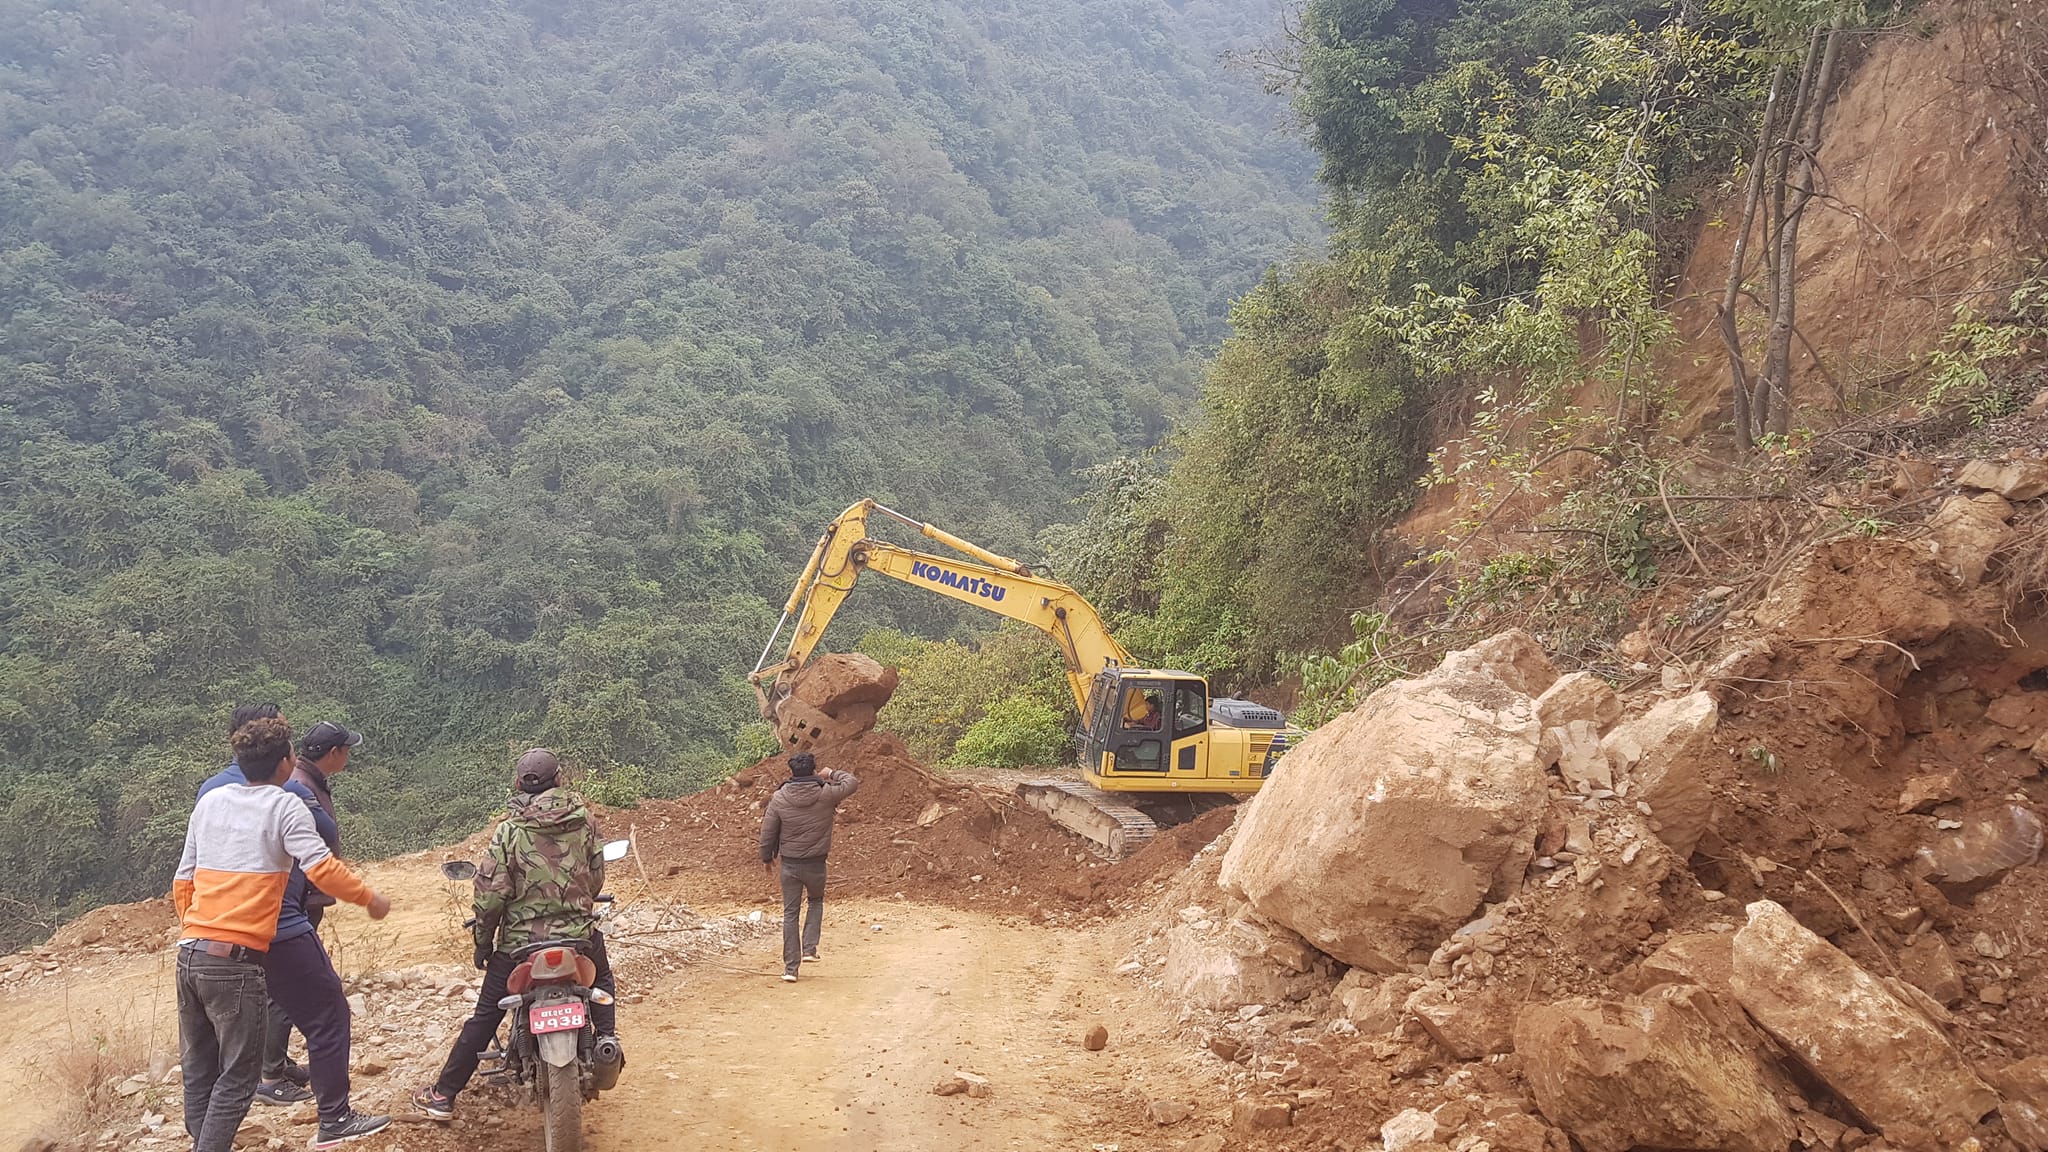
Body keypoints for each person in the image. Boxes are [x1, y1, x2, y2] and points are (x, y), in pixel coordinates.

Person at [175, 717, 393, 1152]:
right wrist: (369, 898)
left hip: (191, 953)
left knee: (201, 1070)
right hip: (242, 954)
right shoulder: (285, 805)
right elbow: (323, 867)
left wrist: (198, 928)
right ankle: (335, 1119)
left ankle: (203, 1141)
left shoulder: (210, 802)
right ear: (284, 763)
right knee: (244, 1075)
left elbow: (183, 880)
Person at [413, 749, 620, 1120]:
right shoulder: (585, 821)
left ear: (518, 785)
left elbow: (490, 898)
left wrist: (483, 944)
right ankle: (607, 1040)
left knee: (486, 1015)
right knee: (602, 980)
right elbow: (596, 878)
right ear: (560, 779)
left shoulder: (509, 831)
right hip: (578, 937)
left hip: (521, 946)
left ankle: (443, 1095)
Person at [195, 704, 340, 1107]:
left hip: (219, 921)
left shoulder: (212, 790)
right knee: (313, 1004)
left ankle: (266, 1069)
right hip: (279, 913)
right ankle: (286, 1083)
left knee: (255, 995)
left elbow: (191, 869)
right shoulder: (287, 788)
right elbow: (325, 833)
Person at [758, 751, 860, 983]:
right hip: (816, 863)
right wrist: (831, 773)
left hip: (790, 865)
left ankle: (790, 969)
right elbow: (852, 782)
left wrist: (766, 857)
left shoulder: (780, 798)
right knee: (815, 901)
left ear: (792, 772)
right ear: (814, 770)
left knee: (790, 914)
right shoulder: (827, 794)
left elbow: (768, 831)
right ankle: (810, 949)